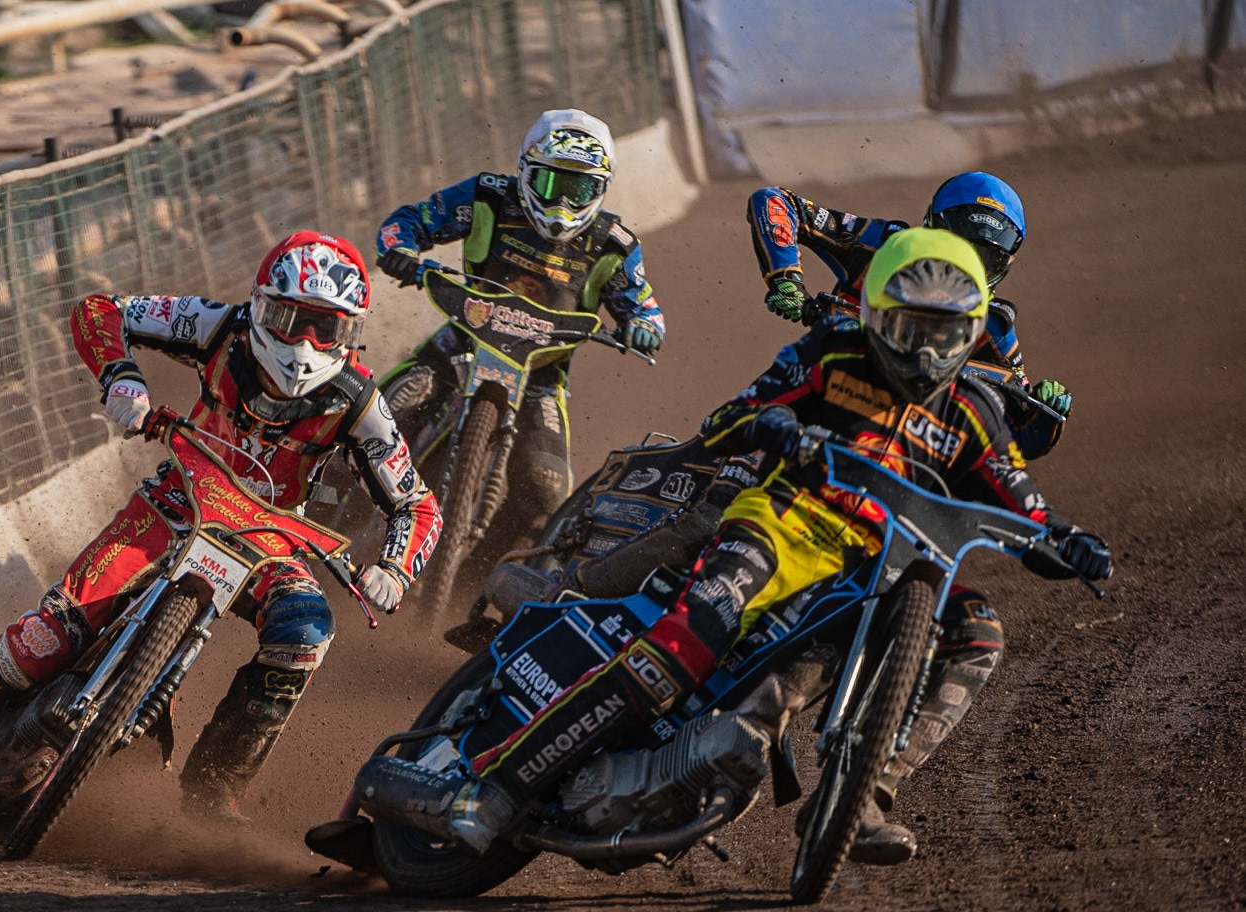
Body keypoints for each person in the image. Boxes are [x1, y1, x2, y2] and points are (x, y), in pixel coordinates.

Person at [435, 228, 1113, 862]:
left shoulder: (976, 412)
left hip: (888, 565)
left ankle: (867, 794)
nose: (926, 354)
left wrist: (1067, 540)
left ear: (972, 334)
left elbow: (1021, 500)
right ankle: (498, 785)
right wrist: (782, 427)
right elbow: (732, 416)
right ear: (877, 315)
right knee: (684, 645)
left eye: (945, 337)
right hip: (783, 521)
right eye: (910, 330)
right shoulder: (830, 353)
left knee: (980, 631)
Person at [0, 232, 442, 819]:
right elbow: (101, 310)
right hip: (177, 503)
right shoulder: (217, 327)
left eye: (326, 328)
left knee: (306, 632)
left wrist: (394, 567)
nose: (305, 344)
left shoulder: (360, 402)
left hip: (270, 541)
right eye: (290, 320)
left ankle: (215, 790)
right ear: (262, 307)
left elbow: (417, 503)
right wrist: (121, 376)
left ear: (351, 333)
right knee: (51, 636)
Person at [373, 108, 666, 536]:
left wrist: (644, 328)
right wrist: (400, 249)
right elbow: (410, 221)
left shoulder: (613, 244)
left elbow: (645, 307)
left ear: (601, 189)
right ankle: (321, 501)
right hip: (460, 345)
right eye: (551, 184)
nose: (563, 204)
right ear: (526, 173)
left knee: (547, 492)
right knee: (383, 413)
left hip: (542, 378)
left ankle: (478, 582)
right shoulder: (487, 196)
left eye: (580, 189)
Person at [747, 171, 1069, 458]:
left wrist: (1044, 414)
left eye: (986, 258)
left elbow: (1016, 435)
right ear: (932, 228)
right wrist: (785, 277)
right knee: (739, 439)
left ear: (1004, 264)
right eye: (958, 245)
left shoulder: (995, 326)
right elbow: (775, 200)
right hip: (818, 393)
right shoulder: (882, 244)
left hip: (907, 452)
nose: (962, 263)